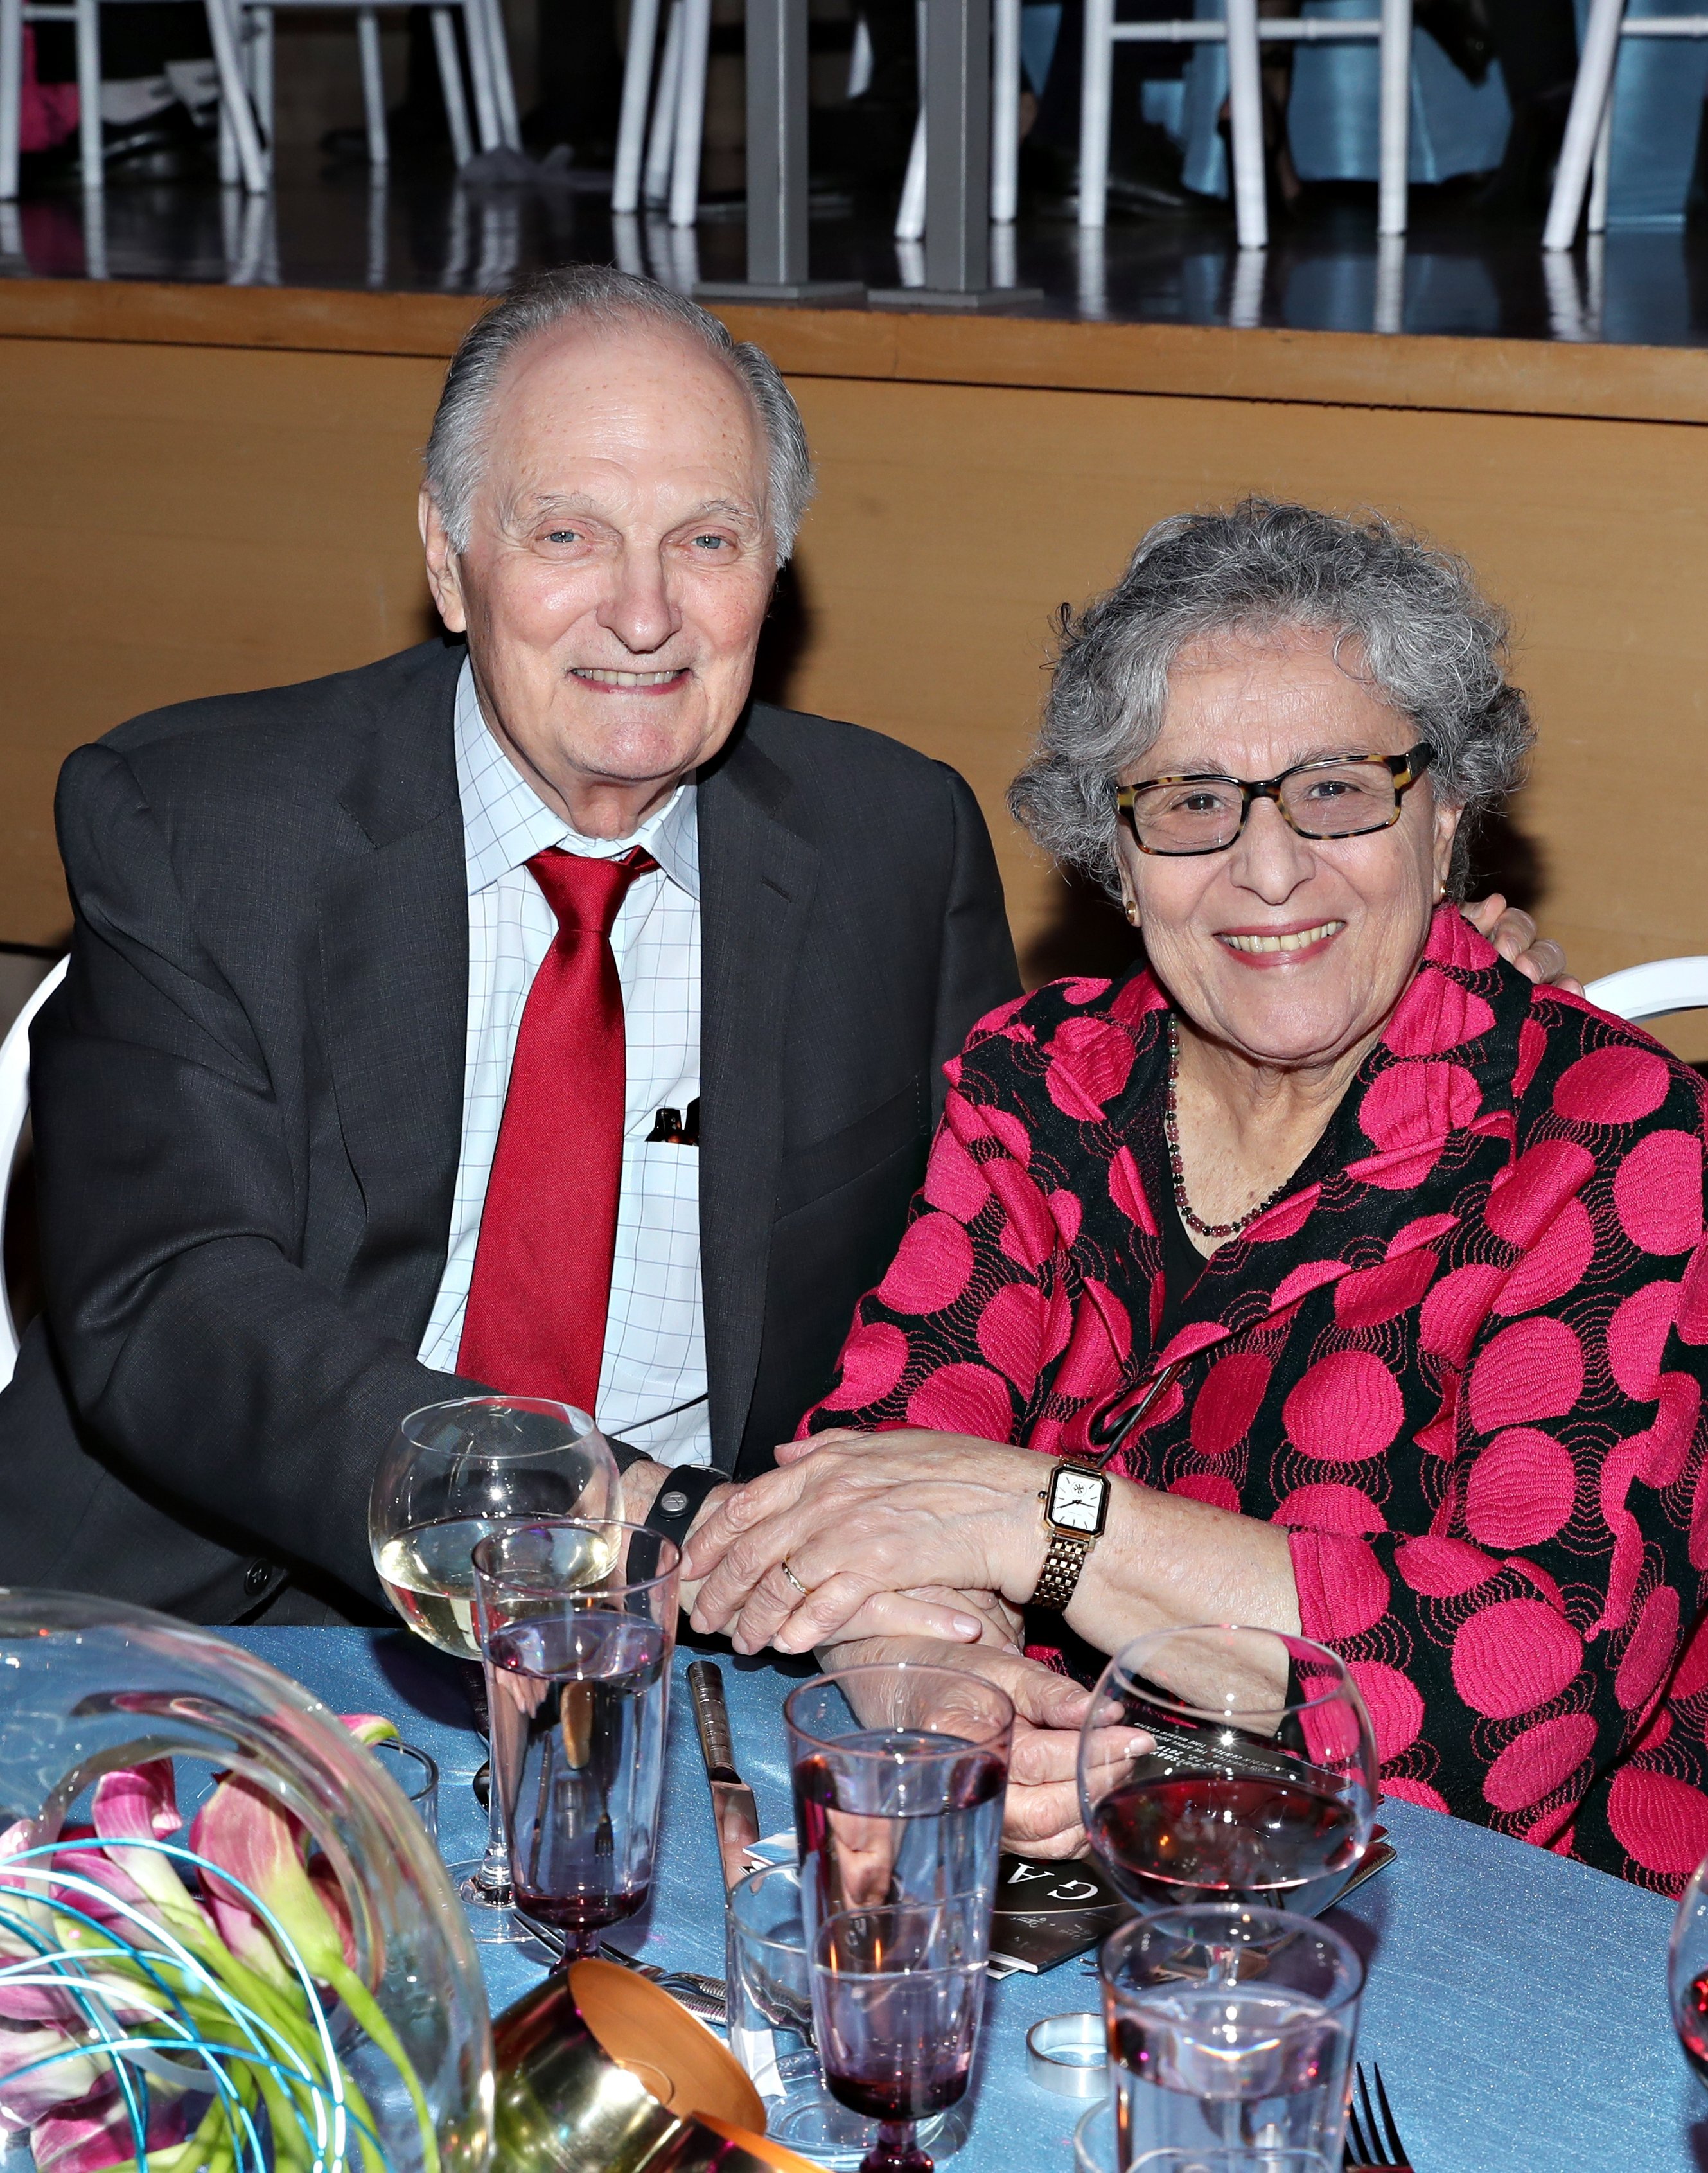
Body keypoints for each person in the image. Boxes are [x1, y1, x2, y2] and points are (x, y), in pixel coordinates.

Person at [683, 499, 1708, 1895]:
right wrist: (956, 1712)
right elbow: (874, 1477)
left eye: (1338, 788)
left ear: (1446, 808)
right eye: (1191, 803)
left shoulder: (1608, 1132)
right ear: (1117, 851)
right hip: (1079, 1868)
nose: (1267, 867)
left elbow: (1523, 1694)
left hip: (1488, 1927)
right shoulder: (1040, 1077)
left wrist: (1043, 1523)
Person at [0, 267, 1017, 1625]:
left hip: (705, 1640)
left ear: (773, 570)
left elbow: (982, 1277)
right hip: (247, 1609)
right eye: (567, 535)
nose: (643, 613)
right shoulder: (202, 823)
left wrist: (917, 1565)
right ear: (447, 559)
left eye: (707, 542)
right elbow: (173, 1300)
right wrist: (606, 1505)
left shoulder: (895, 845)